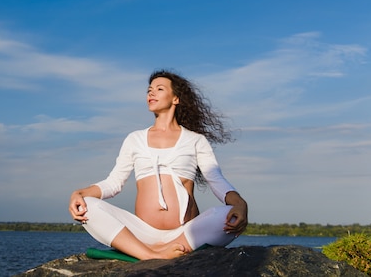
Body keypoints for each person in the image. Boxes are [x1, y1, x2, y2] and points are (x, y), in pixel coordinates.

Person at [68, 69, 248, 260]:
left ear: (176, 98)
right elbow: (114, 183)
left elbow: (216, 179)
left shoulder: (195, 140)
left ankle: (164, 250)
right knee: (87, 205)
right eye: (149, 90)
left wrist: (240, 204)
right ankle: (149, 254)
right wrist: (79, 194)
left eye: (159, 89)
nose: (151, 93)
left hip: (185, 233)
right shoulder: (134, 139)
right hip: (142, 233)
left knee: (228, 214)